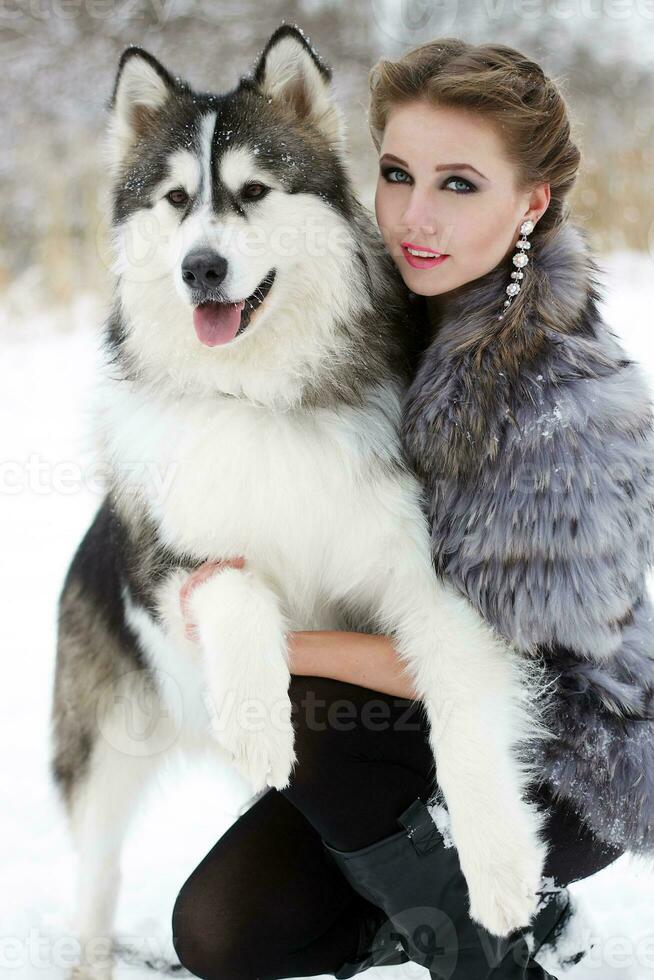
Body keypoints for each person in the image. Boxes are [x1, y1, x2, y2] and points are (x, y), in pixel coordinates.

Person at [171, 38, 654, 980]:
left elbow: (527, 669)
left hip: (562, 757)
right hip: (400, 728)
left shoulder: (568, 401)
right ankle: (450, 892)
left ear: (532, 202)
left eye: (460, 184)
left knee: (302, 697)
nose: (415, 217)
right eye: (397, 174)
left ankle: (483, 951)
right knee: (225, 932)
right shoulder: (363, 308)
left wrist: (275, 643)